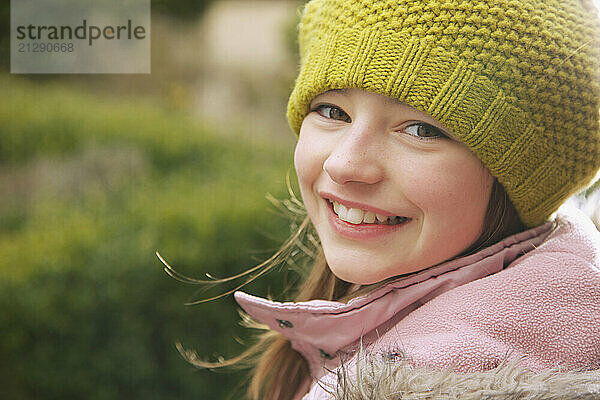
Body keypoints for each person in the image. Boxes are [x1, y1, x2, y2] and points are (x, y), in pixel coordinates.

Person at [176, 0, 600, 398]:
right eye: (332, 111)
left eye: (421, 130)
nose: (344, 165)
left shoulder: (442, 372)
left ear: (523, 174)